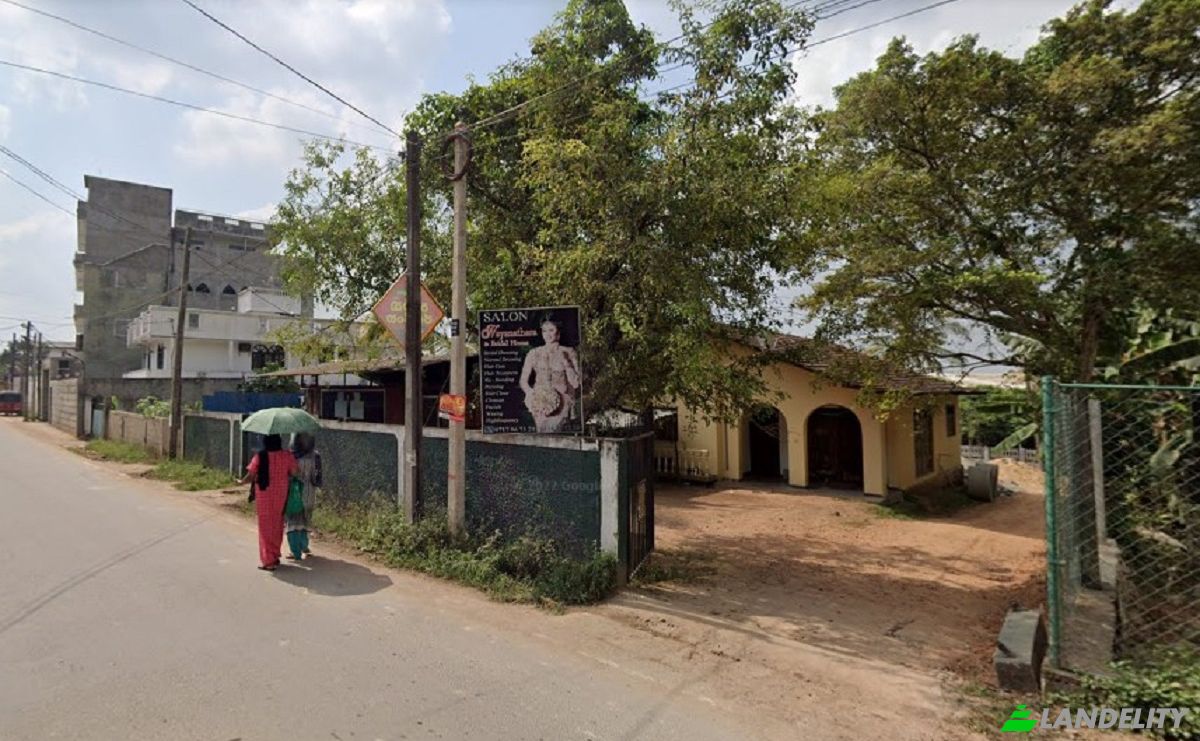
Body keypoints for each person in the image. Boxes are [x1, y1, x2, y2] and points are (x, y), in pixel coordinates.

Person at [238, 434, 298, 571]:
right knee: (277, 524)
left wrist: (241, 481)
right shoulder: (286, 455)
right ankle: (275, 554)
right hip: (281, 495)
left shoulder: (260, 456)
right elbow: (295, 472)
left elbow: (251, 474)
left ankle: (268, 560)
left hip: (264, 495)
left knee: (265, 528)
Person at [518, 317, 581, 433]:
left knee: (555, 433)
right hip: (540, 402)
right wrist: (531, 393)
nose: (547, 334)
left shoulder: (569, 351)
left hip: (563, 402)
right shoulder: (534, 353)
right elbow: (523, 381)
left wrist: (566, 362)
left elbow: (576, 383)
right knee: (542, 435)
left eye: (551, 330)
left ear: (558, 333)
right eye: (544, 331)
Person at [285, 432, 322, 560]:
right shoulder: (315, 456)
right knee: (306, 520)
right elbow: (317, 478)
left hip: (294, 494)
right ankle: (304, 546)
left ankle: (294, 551)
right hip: (309, 493)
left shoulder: (291, 456)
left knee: (294, 522)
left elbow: (288, 475)